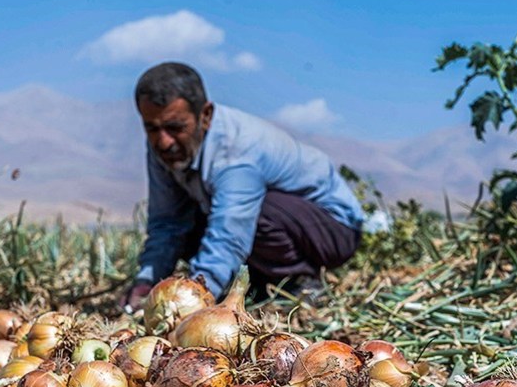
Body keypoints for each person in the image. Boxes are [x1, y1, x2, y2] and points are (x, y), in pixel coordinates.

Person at [121, 62, 365, 310]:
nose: (163, 141)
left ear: (205, 116)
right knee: (187, 226)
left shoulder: (237, 151)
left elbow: (230, 234)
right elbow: (167, 222)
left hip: (333, 229)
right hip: (263, 229)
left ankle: (298, 281)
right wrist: (147, 282)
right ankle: (260, 281)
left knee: (261, 210)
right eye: (151, 128)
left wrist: (194, 301)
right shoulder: (163, 148)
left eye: (175, 127)